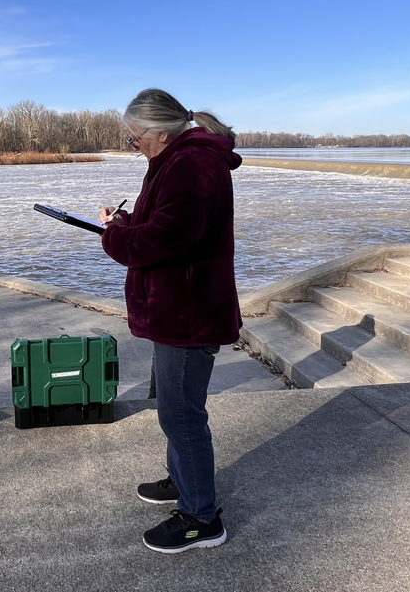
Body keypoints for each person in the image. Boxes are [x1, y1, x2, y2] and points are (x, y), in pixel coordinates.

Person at [99, 88, 242, 554]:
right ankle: (183, 483)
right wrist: (125, 219)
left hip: (189, 315)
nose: (132, 144)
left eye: (135, 137)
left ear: (161, 133)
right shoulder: (174, 161)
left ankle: (202, 517)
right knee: (174, 410)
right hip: (177, 311)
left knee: (181, 416)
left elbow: (163, 240)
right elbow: (164, 221)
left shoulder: (193, 164)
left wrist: (115, 235)